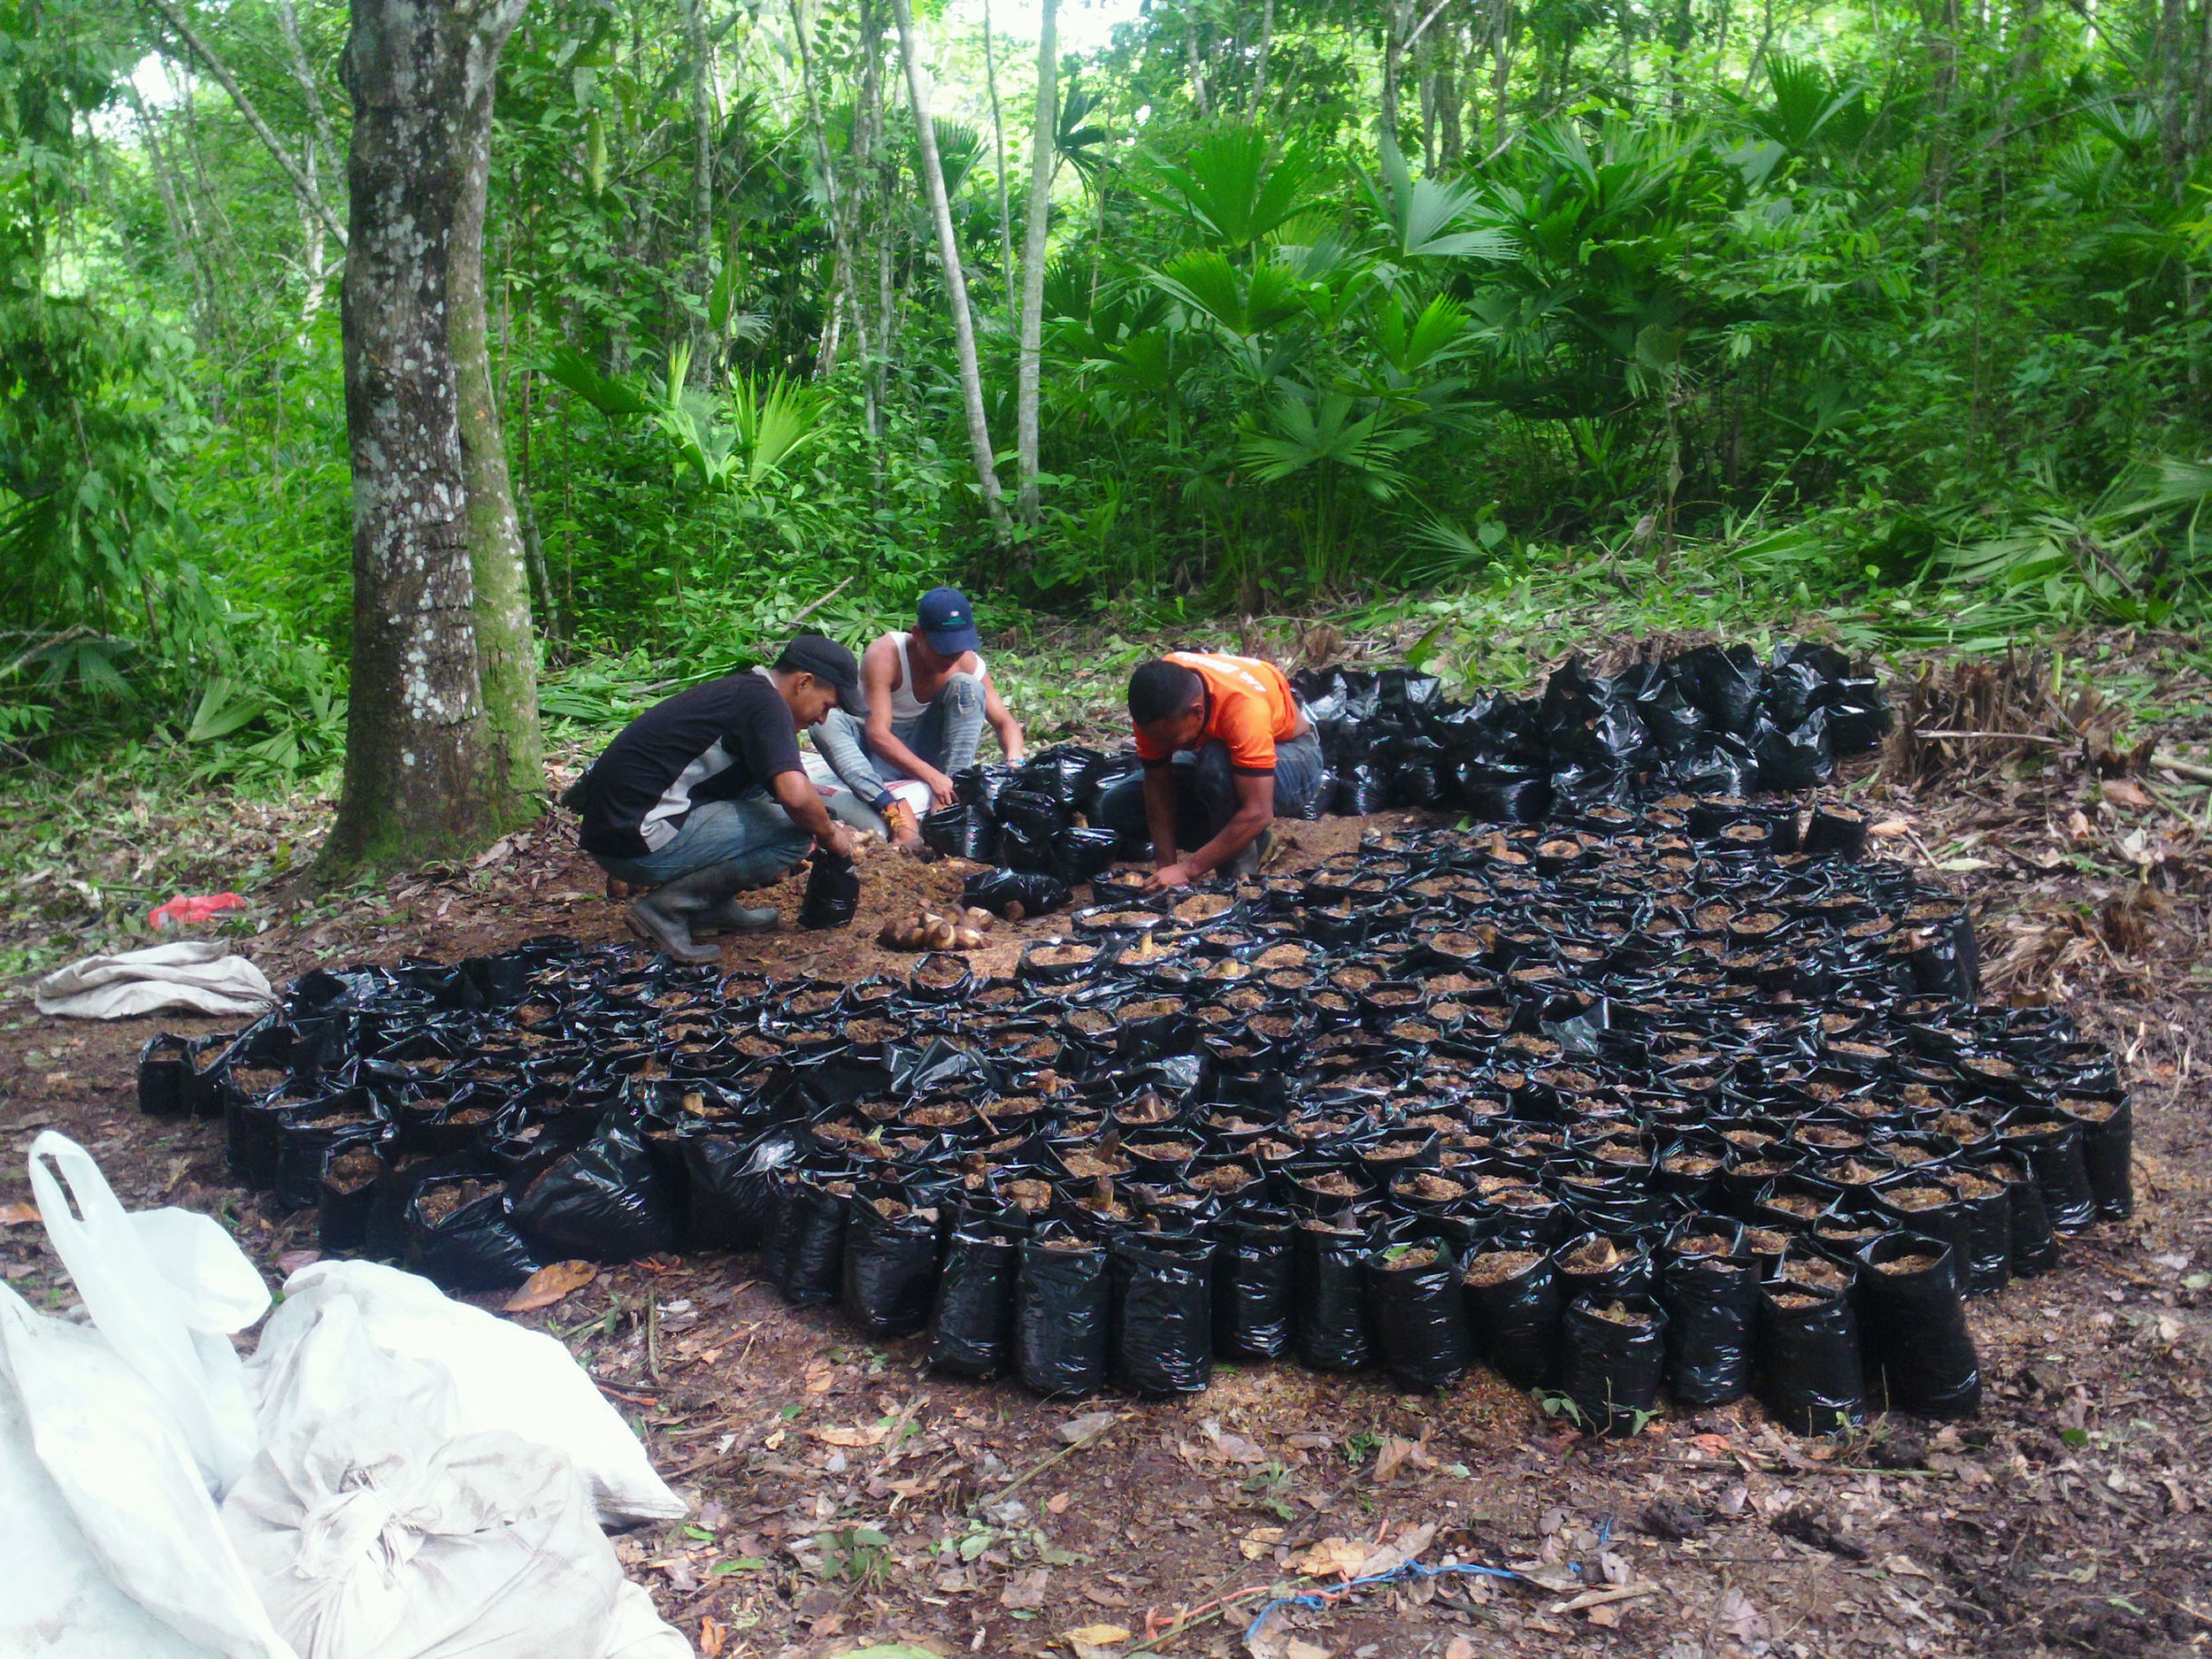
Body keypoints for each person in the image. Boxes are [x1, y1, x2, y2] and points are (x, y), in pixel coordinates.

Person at [570, 634, 865, 963]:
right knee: (795, 835)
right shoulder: (765, 704)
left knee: (763, 788)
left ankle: (709, 907)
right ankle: (666, 910)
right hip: (638, 840)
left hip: (619, 832)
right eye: (827, 706)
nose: (823, 718)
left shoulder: (747, 692)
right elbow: (795, 798)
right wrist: (830, 836)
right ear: (804, 683)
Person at [810, 586, 1025, 849]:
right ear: (918, 634)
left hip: (931, 749)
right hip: (879, 755)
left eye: (956, 649)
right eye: (942, 649)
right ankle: (890, 807)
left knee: (968, 687)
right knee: (826, 723)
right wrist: (932, 778)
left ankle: (951, 798)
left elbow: (1005, 723)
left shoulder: (966, 662)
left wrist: (1015, 763)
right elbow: (877, 734)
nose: (950, 658)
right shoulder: (886, 654)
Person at [1096, 651, 1326, 889]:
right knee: (1118, 806)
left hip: (1295, 756)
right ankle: (1252, 840)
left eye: (1172, 738)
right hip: (1218, 754)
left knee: (1216, 768)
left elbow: (1259, 812)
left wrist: (1189, 869)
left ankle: (1237, 877)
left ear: (1196, 712)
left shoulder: (1244, 709)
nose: (1164, 746)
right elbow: (1158, 786)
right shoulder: (1156, 702)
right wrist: (1166, 869)